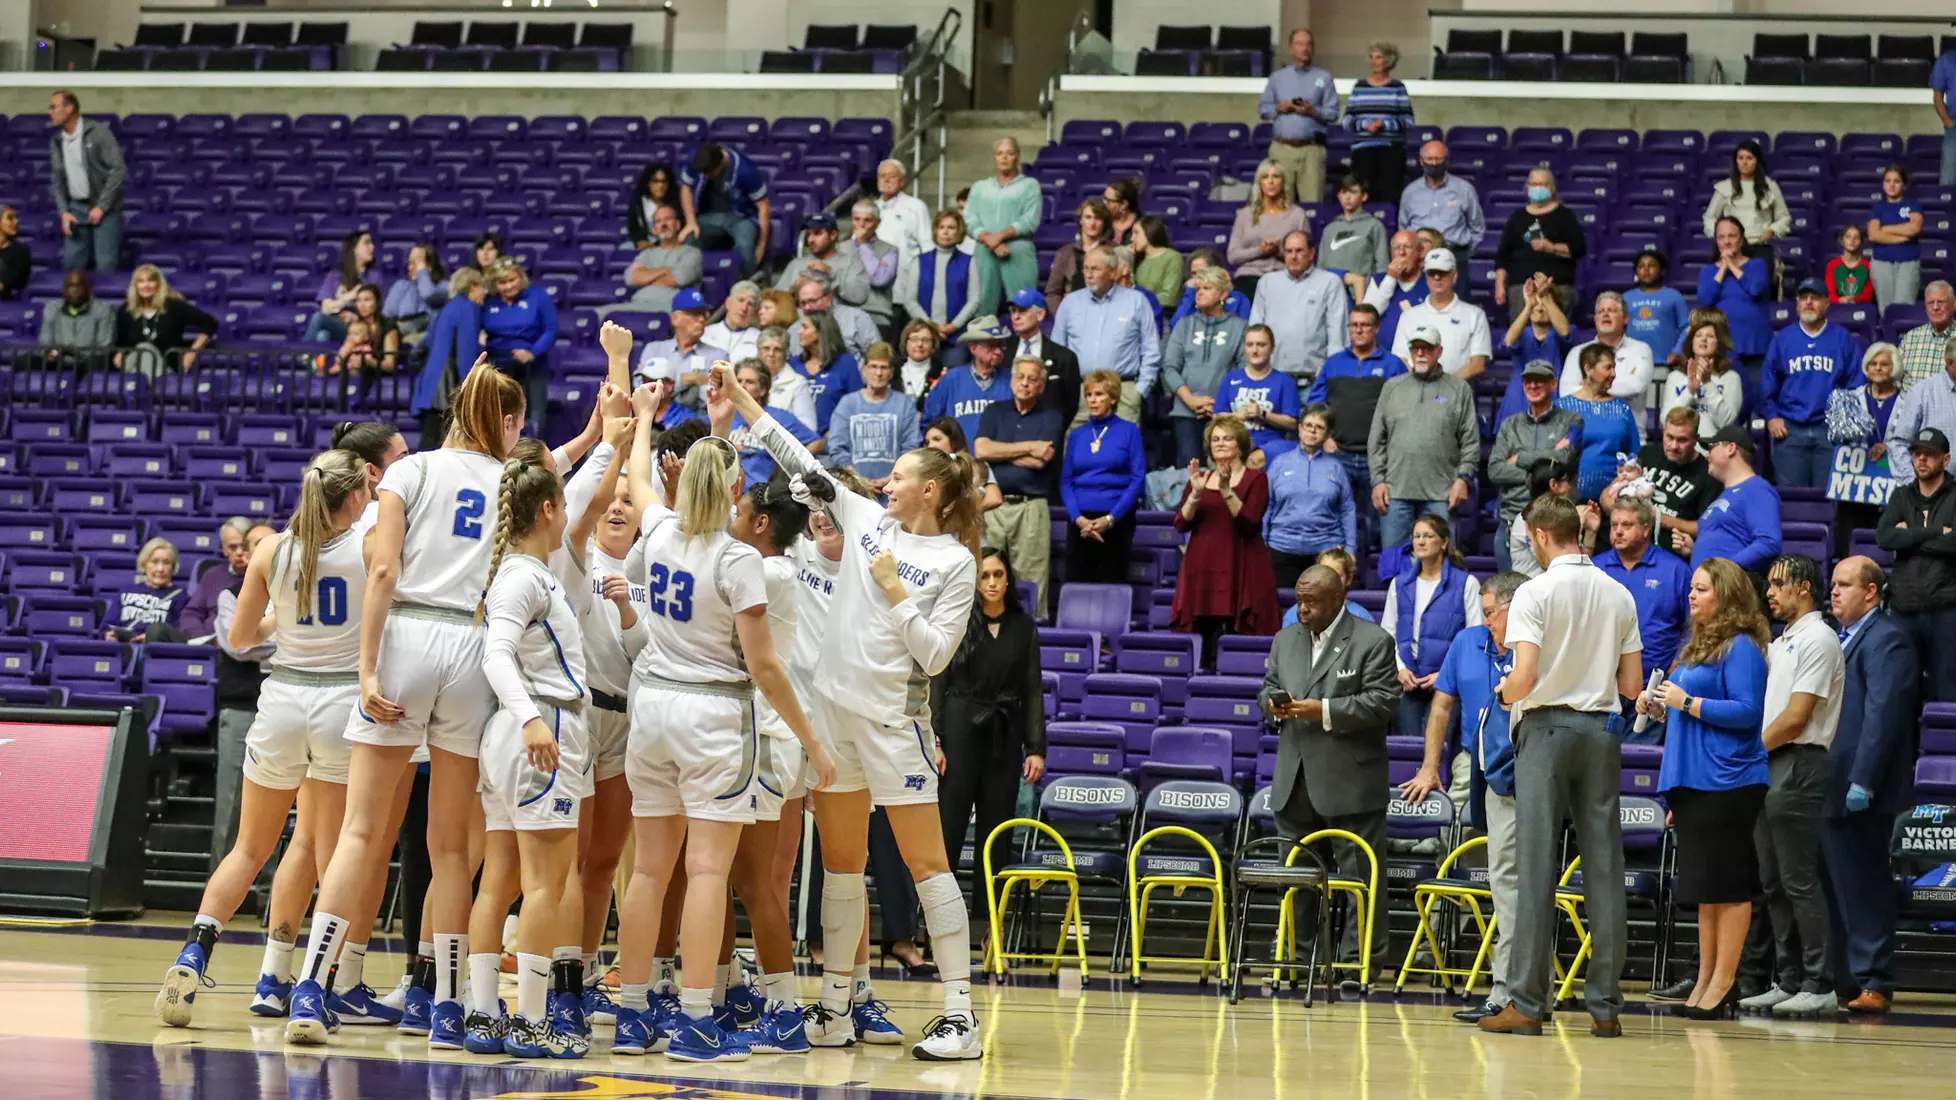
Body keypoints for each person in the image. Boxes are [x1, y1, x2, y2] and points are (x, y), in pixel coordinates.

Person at [724, 364, 988, 1062]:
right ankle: (835, 1007)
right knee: (841, 868)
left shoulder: (956, 563)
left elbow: (934, 658)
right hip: (834, 718)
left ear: (928, 490)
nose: (886, 483)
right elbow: (798, 460)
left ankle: (961, 1015)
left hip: (895, 724)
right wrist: (744, 399)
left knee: (928, 864)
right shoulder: (864, 515)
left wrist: (897, 592)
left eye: (899, 477)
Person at [283, 362, 528, 1049]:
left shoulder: (409, 470)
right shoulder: (510, 480)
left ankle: (311, 988)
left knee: (361, 830)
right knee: (451, 848)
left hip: (409, 638)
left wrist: (365, 670)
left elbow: (384, 570)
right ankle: (448, 1007)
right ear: (506, 422)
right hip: (473, 645)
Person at [608, 370, 834, 1062]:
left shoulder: (657, 530)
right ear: (737, 491)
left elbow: (642, 480)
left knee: (649, 872)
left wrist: (647, 418)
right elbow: (765, 667)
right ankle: (698, 1019)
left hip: (653, 710)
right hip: (714, 714)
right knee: (708, 873)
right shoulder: (740, 561)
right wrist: (812, 742)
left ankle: (633, 1014)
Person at [153, 450, 372, 1030]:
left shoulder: (272, 548)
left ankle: (193, 953)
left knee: (249, 850)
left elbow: (242, 636)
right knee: (333, 857)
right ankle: (308, 990)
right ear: (352, 498)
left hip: (280, 702)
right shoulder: (369, 542)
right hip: (339, 704)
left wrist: (287, 619)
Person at [1481, 494, 1643, 1037]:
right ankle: (1606, 1008)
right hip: (1600, 733)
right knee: (1604, 870)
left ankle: (1527, 1003)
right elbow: (1631, 688)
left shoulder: (1534, 591)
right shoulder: (1619, 592)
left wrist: (1504, 695)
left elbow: (1524, 676)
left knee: (1535, 869)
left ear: (1542, 536)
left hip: (1546, 731)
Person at [461, 446, 601, 1060]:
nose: (567, 512)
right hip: (539, 729)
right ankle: (531, 1022)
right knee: (544, 885)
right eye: (563, 503)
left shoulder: (522, 573)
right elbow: (495, 656)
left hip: (510, 735)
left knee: (499, 882)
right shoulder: (523, 576)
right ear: (546, 510)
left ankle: (484, 1014)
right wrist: (532, 721)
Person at [1637, 557, 1771, 1024]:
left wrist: (1687, 702)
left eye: (1702, 589)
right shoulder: (1696, 646)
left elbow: (1748, 713)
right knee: (1706, 888)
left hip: (1730, 780)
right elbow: (1685, 710)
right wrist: (1658, 707)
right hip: (1692, 781)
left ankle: (1724, 983)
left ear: (1727, 595)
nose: (1691, 595)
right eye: (1691, 588)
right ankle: (1704, 979)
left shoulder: (1742, 647)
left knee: (1729, 886)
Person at [1258, 564, 1399, 980]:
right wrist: (1273, 704)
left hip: (1351, 781)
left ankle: (1359, 965)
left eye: (1311, 601)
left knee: (1360, 879)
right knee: (1298, 881)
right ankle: (1302, 962)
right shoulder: (1286, 639)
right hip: (1294, 777)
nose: (1302, 609)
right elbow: (1267, 687)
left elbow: (1382, 702)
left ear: (1338, 599)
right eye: (1299, 600)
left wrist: (1325, 711)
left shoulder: (1372, 641)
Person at [1400, 571, 1526, 1023]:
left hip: (1525, 768)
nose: (1486, 620)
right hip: (1475, 763)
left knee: (1510, 877)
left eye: (1492, 612)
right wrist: (1429, 765)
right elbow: (1441, 707)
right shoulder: (1468, 641)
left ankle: (1510, 987)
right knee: (1483, 869)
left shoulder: (1534, 644)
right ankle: (1438, 955)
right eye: (1486, 612)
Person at [1731, 555, 1843, 1019]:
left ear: (1804, 588)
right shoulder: (1783, 641)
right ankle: (1788, 979)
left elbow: (1798, 717)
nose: (1770, 593)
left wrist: (1749, 754)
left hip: (1798, 762)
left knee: (1798, 880)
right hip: (1771, 762)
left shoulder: (1819, 638)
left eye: (1779, 585)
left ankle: (1820, 983)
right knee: (1773, 881)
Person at [1823, 556, 1919, 1015]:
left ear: (1872, 592)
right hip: (1829, 782)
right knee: (1837, 885)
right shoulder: (1843, 638)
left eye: (1845, 585)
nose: (1834, 592)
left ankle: (1874, 979)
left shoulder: (1888, 639)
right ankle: (1845, 978)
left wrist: (1863, 780)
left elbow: (1882, 717)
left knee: (1864, 886)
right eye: (1834, 584)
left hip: (1861, 787)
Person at [934, 547, 1045, 939]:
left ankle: (989, 926)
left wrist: (1036, 747)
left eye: (999, 575)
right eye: (985, 576)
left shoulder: (1023, 627)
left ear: (1008, 580)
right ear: (975, 582)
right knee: (948, 830)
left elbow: (1033, 690)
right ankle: (938, 925)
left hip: (1005, 733)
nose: (993, 582)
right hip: (960, 727)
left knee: (996, 833)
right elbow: (939, 682)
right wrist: (936, 739)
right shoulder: (959, 621)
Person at [1171, 415, 1280, 649]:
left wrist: (1226, 491)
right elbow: (1181, 523)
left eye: (1227, 439)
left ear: (1240, 445)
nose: (1220, 443)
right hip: (1202, 568)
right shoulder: (1199, 479)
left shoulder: (1256, 479)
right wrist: (1196, 494)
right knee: (1204, 638)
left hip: (1241, 564)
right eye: (1215, 439)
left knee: (1237, 638)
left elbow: (1250, 523)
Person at [1369, 323, 1477, 550]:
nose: (1420, 353)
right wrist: (1378, 481)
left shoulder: (1459, 389)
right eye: (1415, 348)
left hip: (1442, 494)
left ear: (1439, 351)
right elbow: (1376, 439)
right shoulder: (1392, 387)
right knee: (1394, 565)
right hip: (1395, 492)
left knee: (1443, 563)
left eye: (1427, 348)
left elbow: (1470, 442)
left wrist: (1463, 479)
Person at [1594, 497, 1693, 738]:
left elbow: (1695, 626)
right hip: (1602, 691)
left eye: (1626, 525)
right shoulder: (1595, 569)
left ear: (1646, 528)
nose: (1618, 531)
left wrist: (1675, 667)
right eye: (1614, 525)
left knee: (1640, 770)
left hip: (1653, 692)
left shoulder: (1675, 570)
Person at [1383, 513, 1482, 739]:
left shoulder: (1466, 583)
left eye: (1428, 536)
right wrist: (1399, 670)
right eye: (1416, 536)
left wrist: (1445, 674)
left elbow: (1474, 638)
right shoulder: (1399, 584)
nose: (1420, 541)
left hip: (1447, 684)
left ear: (1444, 542)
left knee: (1437, 752)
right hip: (1408, 683)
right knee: (1410, 749)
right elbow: (1387, 634)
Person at [1875, 426, 1956, 703]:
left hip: (1946, 610)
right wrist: (1936, 532)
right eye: (1917, 453)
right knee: (1899, 694)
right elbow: (1885, 537)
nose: (1921, 459)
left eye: (1929, 454)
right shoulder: (1901, 496)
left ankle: (1945, 748)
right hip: (1903, 609)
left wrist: (1907, 535)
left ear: (1945, 459)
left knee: (1947, 692)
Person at [976, 358, 1065, 603]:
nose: (1024, 383)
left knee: (1031, 580)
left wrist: (1000, 454)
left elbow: (1040, 461)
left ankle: (1032, 633)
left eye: (1032, 379)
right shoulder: (994, 410)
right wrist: (1030, 447)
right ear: (1012, 380)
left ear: (1041, 386)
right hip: (993, 504)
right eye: (1020, 377)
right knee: (988, 573)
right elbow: (981, 451)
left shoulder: (1052, 417)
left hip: (1031, 506)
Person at [1762, 278, 1864, 489]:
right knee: (1790, 496)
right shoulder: (1783, 339)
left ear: (1826, 303)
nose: (1809, 302)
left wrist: (1844, 421)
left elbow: (1855, 383)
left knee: (1829, 496)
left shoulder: (1842, 338)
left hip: (1829, 429)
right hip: (1789, 430)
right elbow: (1767, 382)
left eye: (1815, 298)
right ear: (1797, 303)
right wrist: (1772, 416)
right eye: (1804, 298)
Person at [1489, 360, 1583, 571]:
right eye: (1528, 381)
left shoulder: (1572, 421)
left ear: (1554, 384)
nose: (1533, 385)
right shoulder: (1510, 425)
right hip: (1511, 521)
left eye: (1540, 380)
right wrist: (1540, 472)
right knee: (1509, 596)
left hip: (1554, 525)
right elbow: (1495, 470)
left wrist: (1520, 458)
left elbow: (1566, 458)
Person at [1051, 246, 1159, 424]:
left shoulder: (1136, 301)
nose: (1089, 274)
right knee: (1077, 449)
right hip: (1079, 393)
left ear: (1112, 272)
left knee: (1120, 450)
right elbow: (1058, 351)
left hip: (1123, 394)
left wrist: (1139, 392)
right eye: (1086, 268)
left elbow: (1151, 350)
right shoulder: (1070, 302)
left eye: (1095, 269)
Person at [1059, 371, 1147, 585]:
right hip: (1080, 521)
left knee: (1111, 583)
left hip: (1116, 518)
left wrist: (1110, 519)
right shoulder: (1077, 435)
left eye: (1099, 394)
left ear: (1114, 398)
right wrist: (1078, 519)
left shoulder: (1129, 431)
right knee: (1076, 584)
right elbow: (1066, 481)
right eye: (1089, 395)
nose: (1092, 400)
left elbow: (1137, 479)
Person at [1163, 266, 1248, 468]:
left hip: (1224, 413)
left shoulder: (1239, 326)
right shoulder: (1184, 325)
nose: (1199, 293)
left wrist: (1218, 406)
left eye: (1207, 288)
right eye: (1198, 288)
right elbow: (1170, 368)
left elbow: (1243, 371)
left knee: (1225, 470)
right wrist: (1191, 400)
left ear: (1223, 294)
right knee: (1189, 473)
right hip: (1185, 412)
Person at [1608, 408, 1721, 560]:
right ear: (1662, 432)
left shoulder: (1708, 474)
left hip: (1669, 553)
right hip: (1629, 545)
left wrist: (1660, 518)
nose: (1674, 446)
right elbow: (1607, 495)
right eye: (1670, 437)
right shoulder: (1647, 454)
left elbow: (1704, 527)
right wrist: (1622, 513)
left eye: (1682, 440)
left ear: (1696, 439)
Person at [1264, 405, 1357, 587]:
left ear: (1327, 434)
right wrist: (1262, 542)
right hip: (1282, 549)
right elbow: (1267, 505)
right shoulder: (1279, 464)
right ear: (1299, 429)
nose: (1313, 430)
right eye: (1308, 425)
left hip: (1325, 552)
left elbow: (1347, 509)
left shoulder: (1336, 468)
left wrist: (1350, 549)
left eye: (1319, 427)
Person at [1679, 425, 1782, 575]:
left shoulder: (1757, 489)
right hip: (1710, 589)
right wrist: (1694, 550)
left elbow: (1769, 542)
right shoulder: (1724, 494)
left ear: (1731, 448)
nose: (1707, 455)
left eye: (1711, 447)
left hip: (1731, 590)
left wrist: (1725, 571)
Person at [1250, 229, 1350, 381]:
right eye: (1289, 251)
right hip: (1272, 379)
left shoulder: (1330, 282)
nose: (1293, 256)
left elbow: (1337, 334)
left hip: (1313, 379)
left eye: (1299, 251)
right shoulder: (1266, 282)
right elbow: (1255, 328)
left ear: (1311, 254)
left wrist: (1332, 373)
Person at [1828, 342, 1903, 536]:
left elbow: (1912, 438)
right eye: (1873, 363)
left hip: (1890, 480)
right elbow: (1836, 437)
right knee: (1850, 532)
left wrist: (1889, 447)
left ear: (1894, 368)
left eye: (1884, 364)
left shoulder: (1908, 400)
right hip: (1855, 480)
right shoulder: (1849, 399)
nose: (1877, 368)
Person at [1258, 28, 1340, 205]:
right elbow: (1264, 109)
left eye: (1309, 44)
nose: (1305, 48)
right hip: (1282, 148)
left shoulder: (1324, 78)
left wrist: (1313, 112)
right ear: (1291, 48)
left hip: (1311, 150)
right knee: (1280, 204)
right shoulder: (1277, 78)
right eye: (1300, 44)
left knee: (1313, 204)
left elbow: (1333, 113)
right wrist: (1279, 108)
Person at [47, 91, 124, 272]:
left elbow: (118, 169)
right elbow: (57, 179)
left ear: (70, 108)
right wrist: (63, 211)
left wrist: (102, 206)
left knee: (105, 266)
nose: (50, 112)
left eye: (53, 107)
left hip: (106, 210)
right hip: (75, 209)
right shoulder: (57, 140)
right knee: (73, 267)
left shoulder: (98, 132)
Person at [1492, 168, 1585, 319]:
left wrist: (1552, 247)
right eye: (1534, 184)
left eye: (1542, 184)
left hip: (1556, 286)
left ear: (1551, 187)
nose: (1538, 188)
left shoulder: (1565, 216)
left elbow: (1579, 249)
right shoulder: (1517, 217)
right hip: (1520, 288)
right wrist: (1499, 285)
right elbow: (1503, 255)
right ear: (1527, 186)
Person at [481, 257, 558, 434]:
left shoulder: (538, 296)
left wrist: (532, 352)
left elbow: (551, 329)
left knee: (534, 418)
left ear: (521, 277)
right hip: (498, 367)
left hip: (531, 365)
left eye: (512, 280)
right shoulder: (488, 301)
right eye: (502, 282)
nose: (508, 286)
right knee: (498, 419)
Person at [965, 137, 1041, 318]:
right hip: (985, 250)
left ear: (1018, 157)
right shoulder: (980, 187)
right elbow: (969, 219)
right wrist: (990, 240)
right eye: (1000, 153)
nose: (1004, 157)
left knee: (1024, 308)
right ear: (994, 158)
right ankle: (982, 346)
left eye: (1009, 153)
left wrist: (998, 237)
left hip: (1018, 250)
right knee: (982, 308)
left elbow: (1030, 220)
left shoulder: (1030, 185)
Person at [829, 343, 924, 485]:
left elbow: (911, 447)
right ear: (864, 370)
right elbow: (837, 448)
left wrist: (891, 479)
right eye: (873, 366)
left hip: (895, 487)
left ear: (891, 372)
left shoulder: (904, 404)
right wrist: (857, 480)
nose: (878, 373)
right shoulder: (847, 403)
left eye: (884, 367)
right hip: (855, 488)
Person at [1557, 344, 1641, 502]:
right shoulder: (1563, 407)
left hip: (1612, 499)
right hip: (1568, 499)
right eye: (1608, 367)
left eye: (1614, 367)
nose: (1613, 374)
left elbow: (1633, 452)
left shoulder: (1621, 408)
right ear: (1588, 368)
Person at [412, 268, 487, 444]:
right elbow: (466, 351)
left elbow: (424, 342)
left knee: (429, 441)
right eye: (482, 287)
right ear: (473, 286)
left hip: (431, 383)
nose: (484, 293)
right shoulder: (469, 308)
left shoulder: (447, 307)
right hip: (448, 384)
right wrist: (470, 386)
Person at [1390, 248, 1489, 381]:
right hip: (1416, 390)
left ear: (1454, 277)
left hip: (1457, 393)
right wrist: (1421, 384)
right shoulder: (1408, 316)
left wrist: (1445, 387)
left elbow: (1478, 364)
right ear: (1426, 278)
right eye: (1432, 273)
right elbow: (1400, 359)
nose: (1437, 277)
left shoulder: (1475, 315)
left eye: (1442, 273)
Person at [1559, 292, 1654, 421]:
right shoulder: (1578, 352)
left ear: (1625, 318)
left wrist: (1587, 386)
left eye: (1611, 310)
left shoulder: (1641, 349)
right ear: (1595, 320)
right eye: (1600, 311)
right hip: (1587, 433)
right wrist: (1620, 386)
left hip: (1630, 434)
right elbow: (1566, 393)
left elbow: (1636, 386)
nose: (1605, 314)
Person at [1698, 216, 1773, 379]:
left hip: (1756, 346)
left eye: (1732, 236)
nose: (1726, 241)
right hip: (1722, 347)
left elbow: (1756, 289)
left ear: (1741, 239)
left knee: (1756, 399)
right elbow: (1705, 300)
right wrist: (1723, 267)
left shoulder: (1757, 264)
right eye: (1721, 237)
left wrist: (1731, 264)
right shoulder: (1708, 271)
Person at [680, 143, 770, 276]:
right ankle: (690, 281)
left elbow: (763, 206)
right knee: (690, 239)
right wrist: (690, 222)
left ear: (721, 162)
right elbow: (686, 187)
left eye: (709, 173)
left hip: (742, 218)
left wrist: (761, 247)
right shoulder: (696, 158)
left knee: (744, 245)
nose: (706, 176)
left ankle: (744, 282)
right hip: (709, 216)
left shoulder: (745, 170)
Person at [1222, 323, 1304, 465]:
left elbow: (1292, 423)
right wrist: (1242, 415)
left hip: (1270, 445)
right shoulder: (1231, 378)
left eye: (1261, 345)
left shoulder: (1285, 381)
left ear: (1272, 347)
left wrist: (1264, 414)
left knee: (1254, 461)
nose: (1254, 350)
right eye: (1250, 345)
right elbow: (1217, 416)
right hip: (1235, 443)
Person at [634, 289, 728, 410]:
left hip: (699, 419)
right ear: (675, 318)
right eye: (694, 314)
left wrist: (666, 387)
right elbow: (640, 387)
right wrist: (683, 380)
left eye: (703, 314)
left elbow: (718, 397)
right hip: (655, 417)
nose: (701, 319)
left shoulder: (718, 355)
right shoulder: (655, 349)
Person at [1344, 42, 1414, 204]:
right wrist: (1365, 125)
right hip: (1363, 152)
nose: (1374, 61)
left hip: (1391, 151)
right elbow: (1347, 121)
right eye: (1371, 57)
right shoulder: (1359, 87)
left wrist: (1384, 125)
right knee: (1364, 197)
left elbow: (1409, 121)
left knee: (1389, 197)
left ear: (1389, 61)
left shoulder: (1398, 87)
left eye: (1379, 57)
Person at [1226, 161, 1309, 297]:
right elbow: (1233, 256)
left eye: (1276, 177)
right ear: (1259, 182)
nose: (1270, 182)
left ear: (1283, 181)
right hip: (1249, 276)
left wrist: (1279, 251)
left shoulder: (1297, 215)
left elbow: (1305, 256)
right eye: (1265, 177)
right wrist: (1260, 251)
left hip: (1284, 276)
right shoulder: (1245, 214)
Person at [1399, 141, 1485, 273]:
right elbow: (1403, 227)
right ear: (1421, 161)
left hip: (1454, 255)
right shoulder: (1410, 192)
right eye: (1429, 159)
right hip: (1419, 257)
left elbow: (1477, 227)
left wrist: (1462, 255)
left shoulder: (1464, 189)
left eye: (1438, 159)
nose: (1434, 163)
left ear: (1446, 160)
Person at [923, 315, 1011, 443]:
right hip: (957, 460)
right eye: (991, 346)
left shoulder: (1011, 380)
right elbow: (929, 423)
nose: (998, 352)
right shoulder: (950, 379)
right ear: (973, 348)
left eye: (1001, 345)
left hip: (1000, 459)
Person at [1496, 277, 1570, 427]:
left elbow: (1565, 332)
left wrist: (1547, 297)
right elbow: (1508, 341)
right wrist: (1528, 305)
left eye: (1545, 303)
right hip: (1518, 402)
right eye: (1536, 302)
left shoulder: (1563, 331)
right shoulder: (1520, 333)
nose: (1540, 307)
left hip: (1553, 400)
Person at [900, 210, 981, 344]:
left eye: (951, 228)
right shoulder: (920, 261)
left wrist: (954, 325)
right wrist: (931, 327)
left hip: (958, 335)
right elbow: (910, 300)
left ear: (959, 231)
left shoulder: (969, 262)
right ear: (935, 231)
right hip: (924, 335)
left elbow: (974, 300)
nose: (945, 232)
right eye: (941, 227)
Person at [1661, 315, 1744, 439]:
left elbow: (1725, 423)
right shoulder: (1675, 377)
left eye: (1710, 336)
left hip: (1715, 449)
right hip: (1683, 447)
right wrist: (1690, 391)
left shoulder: (1730, 378)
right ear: (1691, 342)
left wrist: (1707, 383)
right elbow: (1667, 419)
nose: (1703, 339)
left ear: (1718, 344)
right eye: (1698, 335)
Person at [1006, 287, 1080, 426]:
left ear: (1040, 314)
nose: (1015, 316)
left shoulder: (1064, 357)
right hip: (1006, 429)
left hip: (1046, 430)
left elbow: (1070, 404)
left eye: (1023, 310)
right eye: (1013, 311)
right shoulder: (1002, 351)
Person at [1702, 140, 1790, 251]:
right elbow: (1709, 218)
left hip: (1760, 245)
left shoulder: (1770, 187)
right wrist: (1722, 235)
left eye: (1749, 158)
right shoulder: (1724, 187)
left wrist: (1771, 231)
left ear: (1757, 161)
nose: (1744, 162)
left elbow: (1784, 217)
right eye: (1740, 158)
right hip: (1731, 248)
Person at [1887, 331, 1956, 467]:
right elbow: (1898, 445)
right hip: (1935, 485)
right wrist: (1915, 484)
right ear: (1950, 362)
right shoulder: (1922, 392)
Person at [789, 310, 862, 434]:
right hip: (797, 439)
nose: (799, 331)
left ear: (820, 332)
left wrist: (836, 431)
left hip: (833, 440)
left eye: (805, 327)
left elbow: (857, 405)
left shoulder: (845, 364)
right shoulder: (794, 364)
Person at [775, 211, 870, 307]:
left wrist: (831, 273)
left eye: (817, 233)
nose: (810, 240)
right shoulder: (796, 264)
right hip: (801, 319)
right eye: (808, 234)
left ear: (833, 235)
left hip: (837, 319)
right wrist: (794, 289)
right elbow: (775, 301)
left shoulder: (851, 262)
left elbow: (860, 297)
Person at [622, 204, 703, 314]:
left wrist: (645, 278)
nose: (663, 224)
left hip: (672, 307)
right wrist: (666, 270)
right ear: (654, 229)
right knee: (598, 315)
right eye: (658, 221)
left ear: (678, 225)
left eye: (668, 219)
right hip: (637, 304)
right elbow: (631, 278)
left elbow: (680, 278)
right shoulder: (646, 254)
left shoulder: (691, 253)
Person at [1866, 164, 1924, 310]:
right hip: (1881, 263)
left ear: (1903, 184)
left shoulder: (1913, 204)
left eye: (1896, 181)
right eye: (1887, 181)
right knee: (1885, 310)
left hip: (1908, 263)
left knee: (1904, 309)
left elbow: (1914, 228)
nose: (1891, 185)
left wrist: (1886, 229)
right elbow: (1873, 235)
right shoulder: (1877, 208)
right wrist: (1902, 237)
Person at [1321, 176, 1390, 298]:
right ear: (1338, 196)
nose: (1347, 197)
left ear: (1364, 196)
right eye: (1343, 192)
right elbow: (1321, 267)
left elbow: (1382, 266)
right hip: (1332, 295)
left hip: (1363, 294)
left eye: (1353, 192)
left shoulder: (1374, 226)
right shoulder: (1329, 229)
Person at [303, 229, 375, 345]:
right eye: (367, 243)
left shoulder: (374, 277)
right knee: (323, 335)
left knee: (318, 318)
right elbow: (326, 308)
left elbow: (377, 311)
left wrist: (354, 317)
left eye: (371, 243)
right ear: (354, 249)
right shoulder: (335, 276)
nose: (372, 247)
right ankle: (314, 362)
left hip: (357, 328)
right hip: (336, 324)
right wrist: (349, 297)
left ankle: (303, 353)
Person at [107, 537, 186, 641]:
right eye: (154, 562)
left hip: (154, 651)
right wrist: (109, 636)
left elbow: (177, 633)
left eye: (166, 563)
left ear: (173, 567)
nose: (160, 569)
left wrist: (152, 638)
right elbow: (107, 626)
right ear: (144, 564)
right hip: (123, 649)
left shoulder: (181, 596)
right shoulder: (126, 590)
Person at [1362, 229, 1430, 351]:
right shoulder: (1379, 279)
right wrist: (1391, 278)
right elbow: (1367, 316)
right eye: (1396, 248)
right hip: (1382, 356)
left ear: (1420, 251)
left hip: (1417, 355)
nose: (1401, 252)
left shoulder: (1430, 281)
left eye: (1408, 247)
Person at [1624, 249, 1690, 368]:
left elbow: (1687, 327)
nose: (1646, 269)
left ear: (1662, 271)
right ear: (1636, 272)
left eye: (1652, 265)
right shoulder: (1625, 298)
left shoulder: (1674, 296)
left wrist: (1677, 351)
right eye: (1641, 266)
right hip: (1631, 364)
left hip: (1664, 364)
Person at [1046, 199, 1115, 313]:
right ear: (1081, 221)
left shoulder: (1115, 250)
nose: (1092, 223)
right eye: (1088, 217)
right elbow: (1052, 293)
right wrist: (1063, 317)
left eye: (1097, 218)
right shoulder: (1065, 253)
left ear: (1104, 222)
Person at [38, 268, 114, 368]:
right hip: (58, 361)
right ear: (64, 289)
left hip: (88, 363)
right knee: (23, 362)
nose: (74, 290)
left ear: (89, 289)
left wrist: (71, 351)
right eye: (70, 286)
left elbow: (104, 347)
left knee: (97, 362)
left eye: (79, 286)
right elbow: (45, 343)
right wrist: (50, 353)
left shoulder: (103, 310)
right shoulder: (52, 308)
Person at [795, 274, 880, 362]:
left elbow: (878, 356)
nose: (807, 307)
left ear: (828, 299)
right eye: (803, 303)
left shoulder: (856, 318)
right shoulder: (795, 329)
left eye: (812, 301)